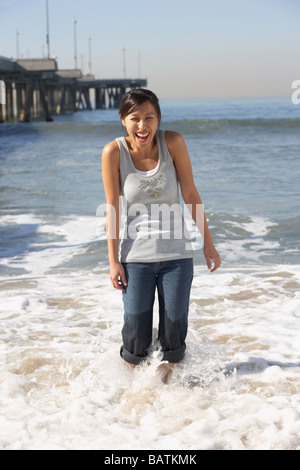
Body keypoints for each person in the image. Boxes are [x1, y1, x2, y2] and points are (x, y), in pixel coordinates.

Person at [101, 89, 220, 381]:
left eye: (149, 118)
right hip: (135, 258)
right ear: (123, 120)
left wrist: (208, 243)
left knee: (174, 334)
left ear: (158, 119)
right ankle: (129, 401)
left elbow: (190, 194)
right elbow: (113, 209)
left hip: (176, 257)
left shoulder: (173, 142)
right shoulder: (113, 152)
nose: (143, 126)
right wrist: (113, 260)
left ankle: (169, 402)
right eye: (135, 118)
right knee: (136, 337)